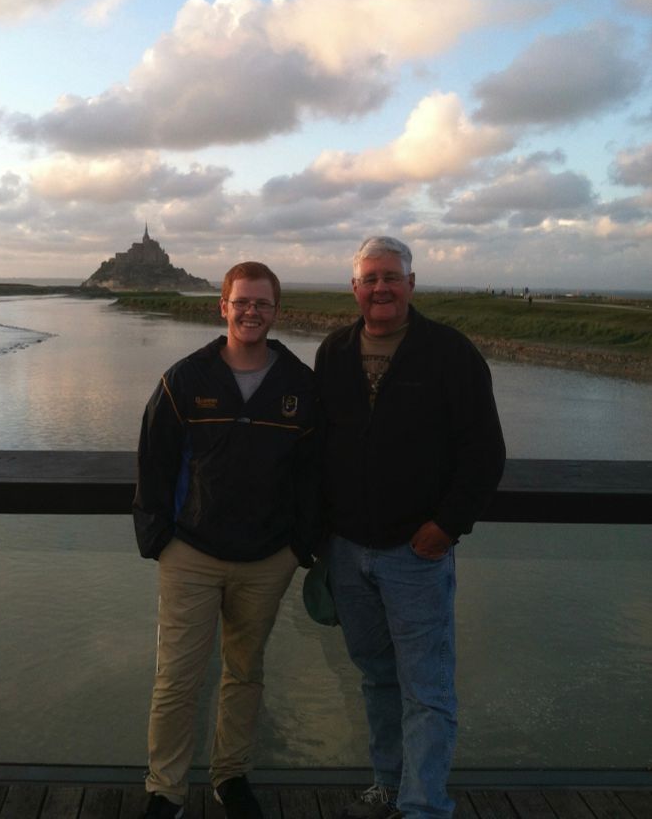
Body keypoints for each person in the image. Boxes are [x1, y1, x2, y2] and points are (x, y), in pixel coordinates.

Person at [315, 237, 505, 819]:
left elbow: (484, 451)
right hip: (348, 551)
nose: (380, 288)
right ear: (354, 289)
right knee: (376, 678)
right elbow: (319, 447)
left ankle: (422, 806)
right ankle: (388, 786)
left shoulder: (449, 352)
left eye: (391, 277)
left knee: (426, 688)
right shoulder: (334, 352)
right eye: (370, 278)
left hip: (416, 554)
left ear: (411, 284)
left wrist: (446, 526)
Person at [133, 261, 317, 819]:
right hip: (190, 552)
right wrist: (158, 537)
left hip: (267, 558)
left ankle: (230, 776)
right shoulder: (185, 378)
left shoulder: (300, 385)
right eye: (242, 302)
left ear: (276, 311)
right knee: (176, 678)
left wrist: (300, 545)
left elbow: (314, 472)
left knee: (245, 672)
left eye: (262, 303)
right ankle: (165, 789)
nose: (252, 312)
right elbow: (154, 459)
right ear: (224, 306)